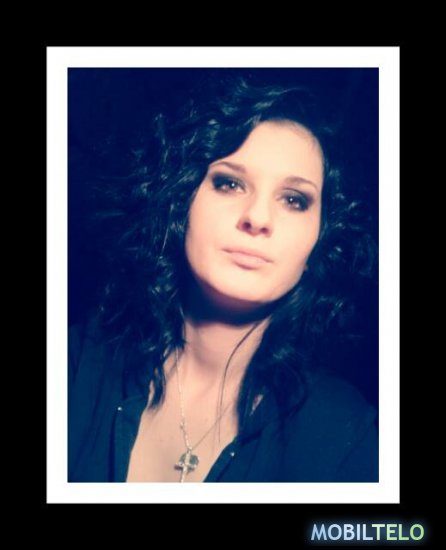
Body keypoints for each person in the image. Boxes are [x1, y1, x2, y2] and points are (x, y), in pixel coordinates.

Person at [68, 73, 378, 483]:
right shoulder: (74, 364)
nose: (258, 217)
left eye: (294, 200)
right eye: (229, 183)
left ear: (321, 240)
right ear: (180, 204)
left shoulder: (349, 440)